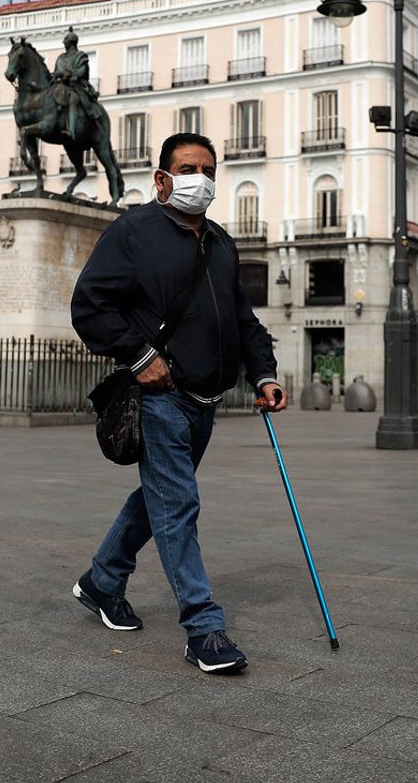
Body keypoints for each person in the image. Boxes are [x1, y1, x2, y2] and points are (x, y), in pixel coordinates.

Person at [71, 132, 286, 676]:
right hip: (159, 396)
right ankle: (203, 626)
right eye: (189, 168)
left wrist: (263, 372)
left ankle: (101, 581)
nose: (201, 180)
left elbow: (243, 319)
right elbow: (90, 306)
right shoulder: (133, 232)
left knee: (159, 498)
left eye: (209, 170)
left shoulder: (220, 242)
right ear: (162, 178)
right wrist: (140, 356)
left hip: (206, 399)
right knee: (178, 504)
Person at [51, 29, 98, 142]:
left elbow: (82, 71)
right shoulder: (61, 58)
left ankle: (71, 130)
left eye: (65, 40)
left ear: (71, 42)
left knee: (73, 99)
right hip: (60, 86)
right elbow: (56, 72)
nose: (64, 43)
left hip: (76, 87)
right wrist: (56, 75)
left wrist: (72, 75)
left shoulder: (80, 56)